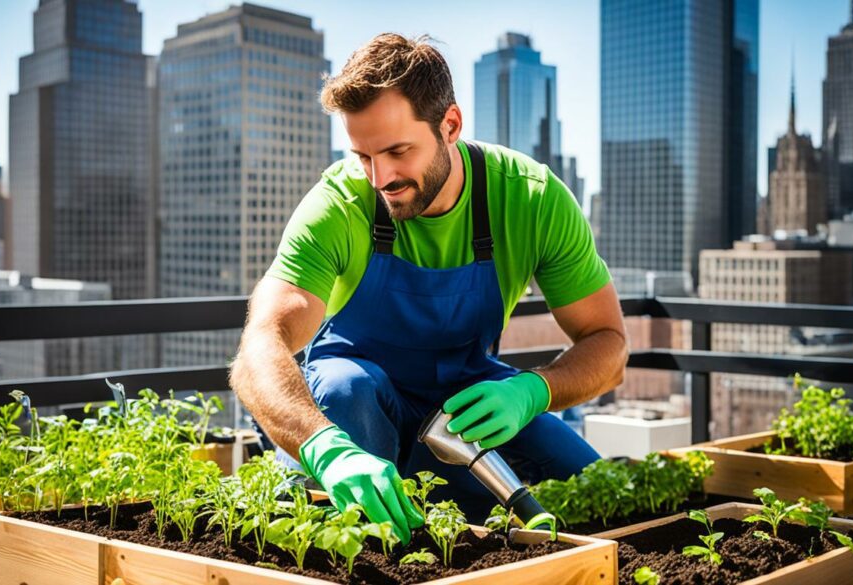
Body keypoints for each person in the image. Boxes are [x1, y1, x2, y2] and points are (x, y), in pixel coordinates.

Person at [230, 33, 628, 543]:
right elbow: (258, 348)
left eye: (398, 151)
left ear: (451, 125)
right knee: (346, 390)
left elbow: (608, 345)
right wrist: (326, 447)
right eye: (363, 156)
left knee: (597, 494)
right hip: (361, 403)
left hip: (467, 406)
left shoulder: (531, 199)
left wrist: (533, 391)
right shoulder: (338, 204)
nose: (380, 177)